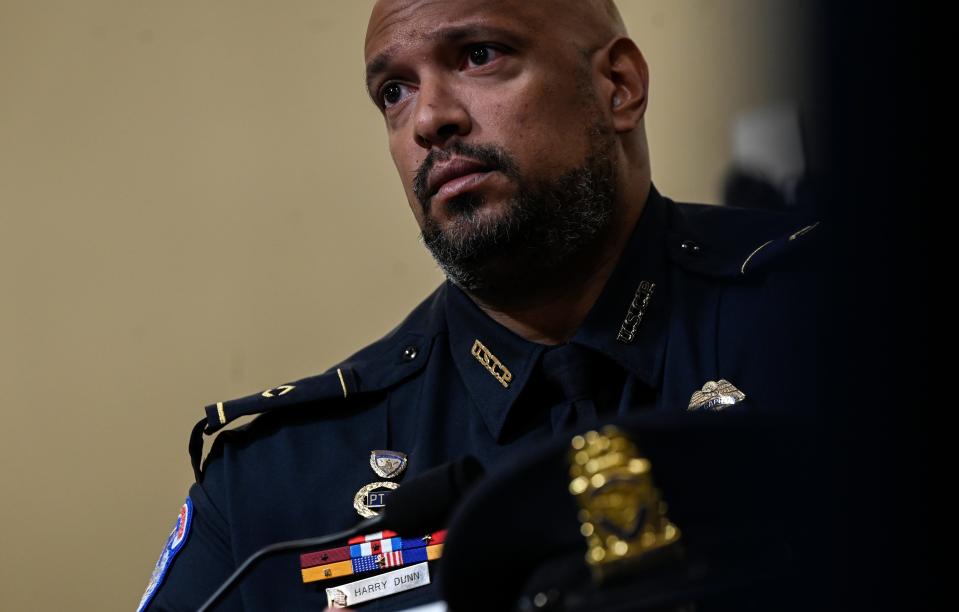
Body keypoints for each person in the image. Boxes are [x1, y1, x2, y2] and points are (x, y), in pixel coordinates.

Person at [137, 1, 822, 610]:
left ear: (618, 86)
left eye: (478, 56)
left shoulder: (836, 319)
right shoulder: (281, 485)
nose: (429, 119)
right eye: (394, 92)